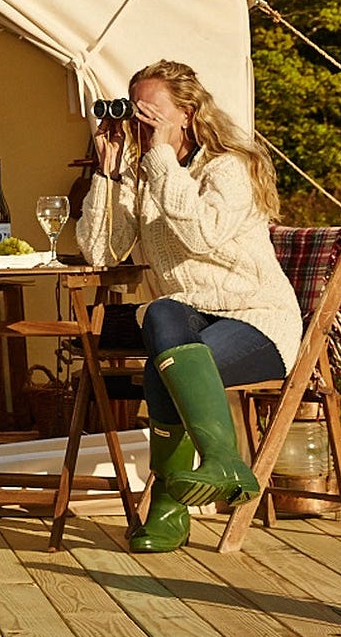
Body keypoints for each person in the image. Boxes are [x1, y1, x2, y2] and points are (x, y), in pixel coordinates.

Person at [76, 60, 301, 554]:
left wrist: (159, 162)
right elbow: (101, 251)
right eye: (135, 114)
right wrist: (110, 175)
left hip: (255, 316)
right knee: (159, 315)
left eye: (151, 114)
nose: (141, 125)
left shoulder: (228, 167)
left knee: (164, 365)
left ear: (187, 113)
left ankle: (171, 504)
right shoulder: (141, 173)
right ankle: (220, 464)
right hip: (186, 315)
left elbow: (200, 234)